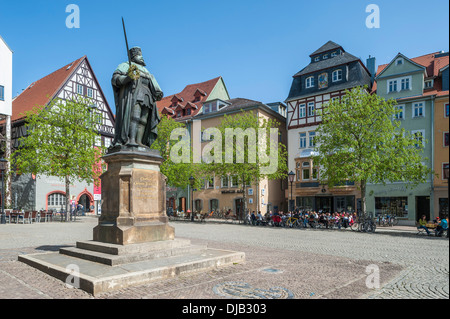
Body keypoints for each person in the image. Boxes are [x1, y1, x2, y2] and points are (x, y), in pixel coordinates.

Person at [111, 47, 164, 149]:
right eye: (139, 56)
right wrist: (127, 78)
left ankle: (139, 141)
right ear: (133, 57)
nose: (142, 58)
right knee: (134, 116)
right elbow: (115, 79)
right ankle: (131, 140)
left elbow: (154, 84)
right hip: (135, 94)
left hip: (147, 95)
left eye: (141, 55)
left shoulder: (146, 70)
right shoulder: (125, 65)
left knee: (144, 119)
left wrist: (157, 92)